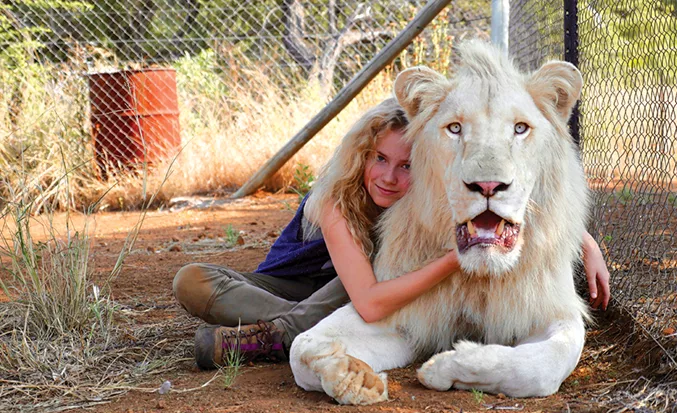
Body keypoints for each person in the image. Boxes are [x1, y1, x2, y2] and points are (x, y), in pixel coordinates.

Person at [172, 98, 611, 370]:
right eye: (379, 159)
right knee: (191, 279)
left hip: (365, 284)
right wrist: (452, 258)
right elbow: (369, 300)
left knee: (367, 278)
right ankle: (284, 331)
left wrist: (584, 243)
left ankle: (276, 332)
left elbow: (497, 205)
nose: (388, 177)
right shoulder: (333, 201)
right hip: (304, 284)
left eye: (406, 166)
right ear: (362, 155)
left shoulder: (428, 191)